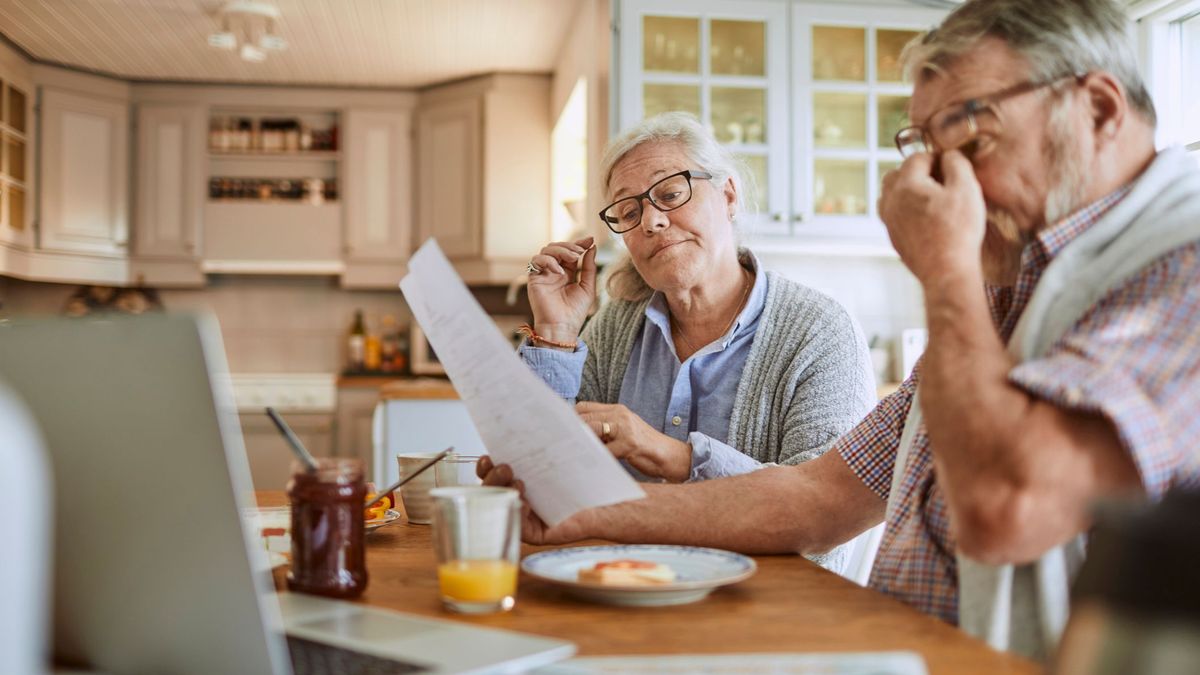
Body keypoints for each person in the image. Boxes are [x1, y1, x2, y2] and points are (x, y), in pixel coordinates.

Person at [482, 0, 1200, 659]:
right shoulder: (1018, 293)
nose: (933, 179)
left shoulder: (1182, 259)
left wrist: (945, 266)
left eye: (968, 138)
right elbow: (815, 498)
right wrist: (576, 516)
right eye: (921, 145)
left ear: (1100, 108)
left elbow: (1005, 508)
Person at [517, 112, 877, 570]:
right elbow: (544, 476)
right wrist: (556, 332)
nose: (651, 221)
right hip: (622, 591)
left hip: (766, 614)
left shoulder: (820, 333)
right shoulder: (614, 328)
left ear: (728, 195)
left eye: (670, 194)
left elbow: (825, 521)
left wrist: (673, 455)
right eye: (628, 212)